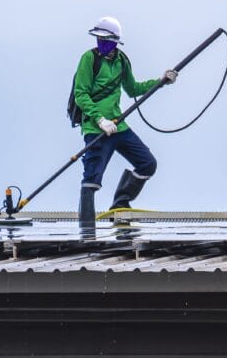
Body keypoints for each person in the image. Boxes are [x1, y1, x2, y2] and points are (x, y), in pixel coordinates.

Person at [72, 16, 178, 233]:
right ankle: (87, 233)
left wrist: (161, 82)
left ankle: (120, 203)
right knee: (91, 180)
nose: (101, 44)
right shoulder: (89, 59)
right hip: (96, 128)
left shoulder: (122, 61)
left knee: (147, 163)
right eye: (99, 40)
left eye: (106, 41)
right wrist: (99, 119)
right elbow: (80, 94)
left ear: (114, 42)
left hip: (117, 125)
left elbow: (133, 89)